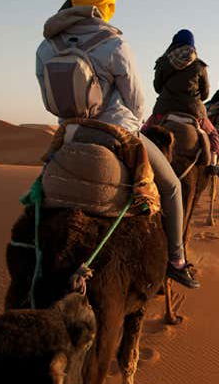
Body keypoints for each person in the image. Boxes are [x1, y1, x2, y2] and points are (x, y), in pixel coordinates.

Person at [37, 0, 200, 288]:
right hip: (118, 130)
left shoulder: (47, 46)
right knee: (173, 186)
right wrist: (130, 128)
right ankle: (176, 260)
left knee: (39, 188)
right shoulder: (114, 43)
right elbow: (136, 101)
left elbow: (49, 98)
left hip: (71, 131)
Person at [149, 30, 219, 178]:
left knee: (143, 132)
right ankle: (213, 164)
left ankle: (136, 161)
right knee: (213, 134)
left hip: (164, 109)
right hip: (193, 111)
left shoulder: (164, 62)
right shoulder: (199, 66)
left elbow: (157, 87)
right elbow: (205, 94)